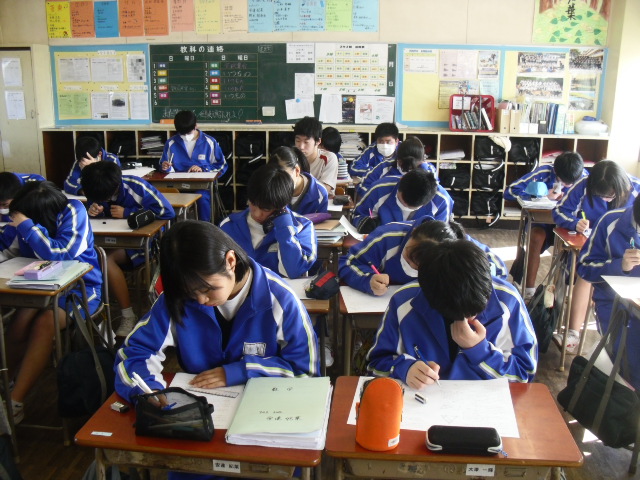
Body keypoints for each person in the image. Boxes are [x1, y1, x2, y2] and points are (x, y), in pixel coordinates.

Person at [114, 221, 319, 415]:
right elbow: (134, 352)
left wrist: (243, 371)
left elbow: (305, 373)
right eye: (190, 292)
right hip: (201, 410)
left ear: (230, 261)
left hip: (264, 408)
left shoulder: (280, 300)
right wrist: (148, 390)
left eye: (207, 289)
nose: (200, 300)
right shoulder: (177, 299)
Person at [366, 240, 537, 387]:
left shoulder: (509, 302)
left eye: (474, 311)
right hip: (424, 405)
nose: (467, 320)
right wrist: (404, 368)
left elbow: (525, 375)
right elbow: (375, 365)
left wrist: (480, 351)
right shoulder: (403, 302)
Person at [0, 181, 102, 425]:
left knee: (45, 323)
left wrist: (27, 226)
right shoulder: (26, 216)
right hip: (39, 286)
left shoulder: (74, 210)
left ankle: (15, 403)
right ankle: (6, 383)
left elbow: (63, 254)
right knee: (19, 322)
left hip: (81, 288)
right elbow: (9, 249)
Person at [552, 160, 640, 352]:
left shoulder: (635, 189)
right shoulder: (584, 185)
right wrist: (574, 222)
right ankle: (573, 333)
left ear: (622, 187)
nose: (606, 200)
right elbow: (559, 210)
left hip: (623, 258)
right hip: (593, 246)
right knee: (586, 277)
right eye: (601, 197)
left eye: (611, 196)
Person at [81, 161, 175, 337]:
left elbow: (167, 212)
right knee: (88, 258)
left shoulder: (136, 187)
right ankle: (97, 313)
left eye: (105, 199)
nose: (103, 201)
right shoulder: (97, 187)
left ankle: (127, 315)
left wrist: (128, 213)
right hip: (108, 241)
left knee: (105, 259)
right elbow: (96, 211)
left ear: (115, 187)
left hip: (141, 245)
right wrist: (92, 210)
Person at [339, 218, 507, 295]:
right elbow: (347, 262)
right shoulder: (388, 236)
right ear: (413, 232)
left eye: (419, 266)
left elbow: (498, 269)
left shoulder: (460, 248)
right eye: (407, 255)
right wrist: (367, 280)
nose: (410, 266)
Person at [577, 195, 640, 388]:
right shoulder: (610, 221)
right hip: (614, 304)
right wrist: (620, 266)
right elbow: (584, 267)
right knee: (630, 363)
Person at [504, 152, 587, 298]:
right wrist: (541, 195)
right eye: (564, 182)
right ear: (555, 171)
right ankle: (529, 292)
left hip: (569, 224)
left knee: (575, 247)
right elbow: (509, 192)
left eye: (571, 183)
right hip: (543, 222)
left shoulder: (584, 179)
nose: (568, 186)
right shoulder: (544, 173)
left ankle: (563, 295)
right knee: (536, 237)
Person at [219, 165, 317, 279]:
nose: (257, 214)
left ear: (282, 206)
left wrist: (285, 228)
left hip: (281, 289)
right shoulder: (229, 225)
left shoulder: (303, 227)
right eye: (253, 204)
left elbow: (294, 271)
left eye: (265, 209)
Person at [158, 110, 227, 222]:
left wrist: (204, 169)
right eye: (182, 134)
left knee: (202, 199)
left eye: (188, 132)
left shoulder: (209, 142)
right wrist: (166, 167)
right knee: (163, 199)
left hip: (202, 187)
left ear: (196, 126)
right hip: (178, 187)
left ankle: (204, 228)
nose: (185, 136)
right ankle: (171, 229)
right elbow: (164, 166)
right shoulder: (171, 143)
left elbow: (222, 165)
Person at [351, 169, 453, 233]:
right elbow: (357, 215)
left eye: (411, 208)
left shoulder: (441, 201)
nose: (405, 208)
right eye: (401, 202)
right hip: (381, 244)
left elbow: (440, 238)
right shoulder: (379, 189)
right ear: (400, 182)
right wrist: (362, 222)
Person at [356, 135, 436, 197]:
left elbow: (434, 193)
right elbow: (363, 186)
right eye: (405, 165)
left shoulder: (429, 171)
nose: (409, 169)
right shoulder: (384, 167)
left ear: (422, 161)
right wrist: (377, 198)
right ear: (398, 160)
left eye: (414, 166)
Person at [267, 146, 328, 215]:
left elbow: (321, 220)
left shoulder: (319, 193)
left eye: (284, 177)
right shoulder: (269, 187)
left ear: (297, 170)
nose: (280, 183)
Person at [293, 116, 338, 195]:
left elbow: (323, 191)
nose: (301, 147)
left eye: (306, 142)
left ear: (318, 141)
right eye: (298, 141)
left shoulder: (329, 158)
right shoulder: (290, 158)